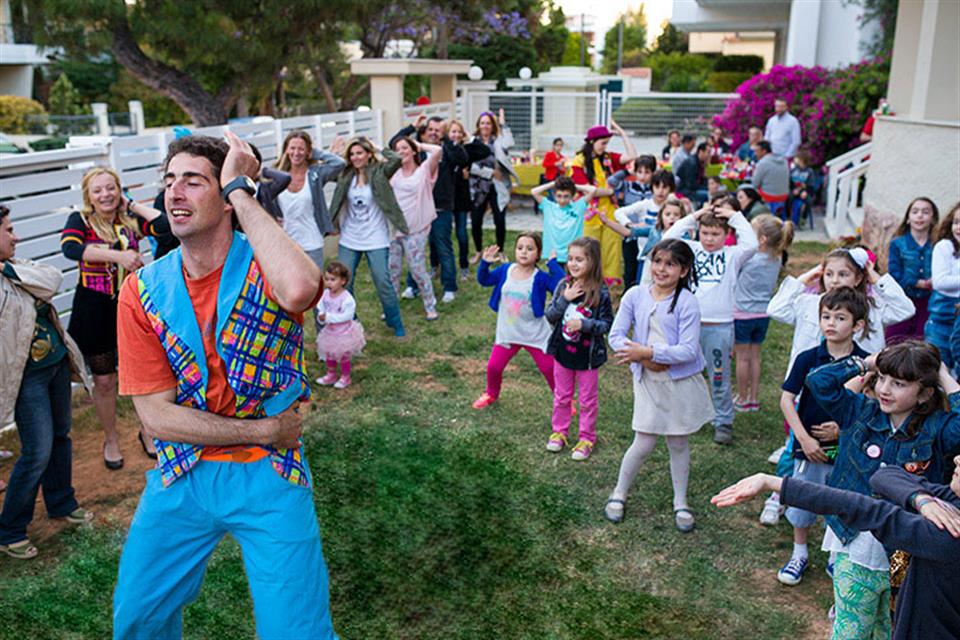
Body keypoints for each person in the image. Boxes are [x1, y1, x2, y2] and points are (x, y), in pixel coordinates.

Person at [112, 133, 336, 638]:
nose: (174, 193)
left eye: (194, 181)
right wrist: (263, 430)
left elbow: (301, 288)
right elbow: (156, 418)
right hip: (183, 474)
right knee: (137, 619)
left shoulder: (265, 263)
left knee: (296, 631)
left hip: (270, 479)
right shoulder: (141, 291)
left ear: (226, 195)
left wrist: (242, 189)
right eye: (169, 181)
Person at [794, 342, 960, 639]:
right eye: (882, 378)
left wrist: (944, 376)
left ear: (924, 394)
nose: (885, 388)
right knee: (851, 631)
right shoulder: (859, 412)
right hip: (855, 543)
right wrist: (868, 363)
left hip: (905, 555)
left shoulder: (937, 429)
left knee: (889, 631)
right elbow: (817, 381)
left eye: (899, 383)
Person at [712, 458, 960, 640]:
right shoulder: (951, 503)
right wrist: (921, 499)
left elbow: (864, 508)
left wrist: (773, 483)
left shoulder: (949, 534)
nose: (956, 458)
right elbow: (886, 476)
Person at [760, 247, 916, 525]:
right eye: (829, 273)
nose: (835, 279)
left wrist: (873, 274)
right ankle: (781, 493)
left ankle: (837, 511)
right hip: (807, 391)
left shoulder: (874, 307)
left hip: (855, 395)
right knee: (794, 447)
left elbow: (906, 308)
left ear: (858, 277)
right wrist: (809, 276)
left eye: (843, 273)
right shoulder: (813, 303)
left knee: (846, 455)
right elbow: (775, 308)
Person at [0, 205, 94, 560]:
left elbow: (52, 280)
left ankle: (61, 502)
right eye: (8, 230)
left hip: (54, 367)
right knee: (36, 451)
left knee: (60, 437)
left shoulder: (16, 267)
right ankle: (9, 529)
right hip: (26, 380)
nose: (16, 236)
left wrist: (8, 268)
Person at [60, 166, 167, 469]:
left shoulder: (129, 220)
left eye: (111, 188)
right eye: (98, 190)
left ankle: (147, 432)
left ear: (119, 190)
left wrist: (131, 205)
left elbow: (165, 226)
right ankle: (111, 439)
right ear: (88, 196)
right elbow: (71, 249)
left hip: (131, 307)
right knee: (105, 381)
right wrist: (117, 256)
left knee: (143, 378)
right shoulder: (79, 220)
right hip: (94, 310)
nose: (105, 195)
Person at [604, 239, 714, 531]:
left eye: (670, 264)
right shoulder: (635, 295)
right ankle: (619, 493)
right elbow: (616, 335)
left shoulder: (687, 302)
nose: (661, 269)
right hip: (648, 380)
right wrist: (640, 356)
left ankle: (681, 502)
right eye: (657, 261)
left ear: (683, 270)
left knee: (678, 440)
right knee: (644, 441)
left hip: (678, 381)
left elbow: (688, 350)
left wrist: (650, 353)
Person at [774, 288, 870, 587]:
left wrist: (842, 431)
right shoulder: (808, 358)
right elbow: (787, 400)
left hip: (846, 453)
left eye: (840, 317)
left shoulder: (866, 363)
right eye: (826, 316)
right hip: (808, 448)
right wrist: (802, 439)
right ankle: (799, 553)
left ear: (858, 325)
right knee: (802, 500)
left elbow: (871, 410)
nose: (830, 323)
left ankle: (835, 555)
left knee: (841, 503)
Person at [663, 202, 759, 444]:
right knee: (684, 372)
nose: (709, 238)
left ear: (726, 235)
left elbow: (752, 243)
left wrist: (734, 216)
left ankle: (723, 421)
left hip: (720, 327)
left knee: (718, 375)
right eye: (705, 233)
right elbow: (669, 237)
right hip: (689, 325)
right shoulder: (691, 249)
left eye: (715, 234)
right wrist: (694, 216)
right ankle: (686, 416)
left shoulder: (733, 254)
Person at [472, 233, 565, 410]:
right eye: (520, 248)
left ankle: (563, 399)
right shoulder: (505, 270)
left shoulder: (540, 277)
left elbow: (561, 285)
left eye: (530, 249)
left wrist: (553, 264)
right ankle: (491, 394)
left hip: (535, 333)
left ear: (538, 254)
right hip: (508, 332)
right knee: (494, 367)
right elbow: (484, 280)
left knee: (548, 368)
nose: (524, 252)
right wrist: (485, 263)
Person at [329, 137, 409, 338]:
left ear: (368, 154)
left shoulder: (380, 172)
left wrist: (377, 147)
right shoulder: (345, 175)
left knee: (383, 280)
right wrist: (335, 153)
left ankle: (395, 320)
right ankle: (350, 321)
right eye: (352, 154)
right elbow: (328, 169)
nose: (356, 157)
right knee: (345, 282)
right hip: (350, 237)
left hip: (376, 236)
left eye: (360, 153)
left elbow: (397, 159)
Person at [544, 237, 613, 462]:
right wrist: (565, 299)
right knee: (562, 396)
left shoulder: (601, 292)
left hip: (588, 358)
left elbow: (606, 325)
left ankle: (586, 438)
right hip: (563, 354)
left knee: (587, 400)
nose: (573, 264)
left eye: (579, 259)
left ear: (592, 262)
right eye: (570, 259)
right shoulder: (563, 286)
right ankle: (559, 432)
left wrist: (584, 325)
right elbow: (551, 316)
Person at [392, 115, 470, 303]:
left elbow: (463, 158)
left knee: (443, 246)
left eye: (438, 130)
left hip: (440, 206)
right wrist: (411, 127)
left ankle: (449, 287)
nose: (433, 133)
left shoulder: (446, 151)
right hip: (417, 210)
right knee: (414, 250)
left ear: (442, 133)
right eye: (430, 130)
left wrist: (451, 141)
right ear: (424, 132)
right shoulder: (415, 152)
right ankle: (413, 286)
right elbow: (393, 143)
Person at [733, 214, 793, 412]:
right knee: (755, 357)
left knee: (742, 358)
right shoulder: (775, 259)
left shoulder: (748, 259)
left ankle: (742, 398)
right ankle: (754, 398)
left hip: (742, 314)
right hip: (763, 314)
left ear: (762, 239)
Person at [570, 120, 637, 285]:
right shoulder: (578, 162)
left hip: (609, 211)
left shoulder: (608, 158)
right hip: (589, 213)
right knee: (589, 249)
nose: (604, 146)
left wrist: (622, 133)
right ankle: (587, 282)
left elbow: (632, 156)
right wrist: (610, 191)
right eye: (603, 143)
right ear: (592, 142)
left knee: (612, 249)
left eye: (607, 143)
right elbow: (586, 189)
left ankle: (609, 286)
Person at [275, 130, 347, 270]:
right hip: (285, 242)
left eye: (301, 148)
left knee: (315, 287)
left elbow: (340, 163)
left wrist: (316, 153)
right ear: (286, 150)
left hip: (311, 242)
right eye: (293, 148)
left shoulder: (316, 174)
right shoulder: (276, 174)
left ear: (308, 151)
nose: (296, 153)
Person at [389, 136, 442, 321]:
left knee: (417, 269)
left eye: (405, 148)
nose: (401, 152)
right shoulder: (393, 173)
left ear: (413, 151)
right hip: (394, 230)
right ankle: (391, 308)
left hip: (416, 230)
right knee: (392, 270)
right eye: (397, 149)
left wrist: (418, 145)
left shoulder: (424, 171)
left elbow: (436, 150)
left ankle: (430, 305)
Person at [608, 170, 677, 285]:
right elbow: (619, 212)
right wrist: (630, 224)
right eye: (657, 186)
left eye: (665, 187)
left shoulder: (674, 207)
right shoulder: (646, 204)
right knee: (643, 286)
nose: (660, 191)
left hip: (670, 257)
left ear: (670, 189)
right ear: (652, 187)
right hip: (646, 257)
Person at [886, 197, 938, 343]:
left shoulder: (938, 244)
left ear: (933, 218)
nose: (920, 215)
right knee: (894, 340)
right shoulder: (898, 244)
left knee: (923, 340)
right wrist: (918, 282)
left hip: (929, 301)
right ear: (908, 218)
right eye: (915, 212)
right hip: (903, 299)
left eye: (925, 212)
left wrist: (936, 280)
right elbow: (894, 274)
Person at [468, 109, 517, 262]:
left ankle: (500, 251)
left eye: (488, 123)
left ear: (492, 125)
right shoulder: (471, 142)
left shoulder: (499, 140)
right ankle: (478, 250)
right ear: (478, 125)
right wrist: (490, 172)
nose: (485, 126)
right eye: (482, 123)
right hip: (478, 187)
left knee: (500, 219)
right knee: (476, 220)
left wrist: (503, 123)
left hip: (497, 186)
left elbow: (510, 142)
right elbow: (470, 166)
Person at [447, 119, 492, 282]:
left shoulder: (466, 149)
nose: (457, 134)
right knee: (439, 236)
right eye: (453, 131)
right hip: (444, 198)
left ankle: (464, 267)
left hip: (461, 196)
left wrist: (470, 138)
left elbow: (485, 150)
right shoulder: (442, 148)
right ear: (447, 133)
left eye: (460, 131)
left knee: (461, 234)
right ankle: (435, 265)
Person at [315, 262, 365, 390]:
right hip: (330, 332)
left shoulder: (347, 299)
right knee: (329, 353)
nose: (329, 283)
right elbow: (320, 305)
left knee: (344, 356)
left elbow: (347, 316)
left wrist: (328, 317)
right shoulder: (325, 294)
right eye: (327, 279)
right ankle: (331, 374)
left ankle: (345, 377)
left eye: (333, 279)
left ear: (343, 281)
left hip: (344, 333)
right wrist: (321, 314)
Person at [926, 203, 960, 373]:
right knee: (937, 368)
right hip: (942, 320)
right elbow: (940, 282)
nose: (958, 227)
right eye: (956, 222)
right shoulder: (944, 247)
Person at [531, 176, 596, 264]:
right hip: (553, 254)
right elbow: (534, 192)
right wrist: (553, 184)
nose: (562, 200)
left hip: (572, 255)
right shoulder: (548, 206)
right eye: (559, 196)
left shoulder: (578, 206)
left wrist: (572, 186)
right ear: (554, 195)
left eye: (566, 196)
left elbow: (593, 190)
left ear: (572, 196)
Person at [750, 140, 790, 219]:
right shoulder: (784, 161)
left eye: (757, 151)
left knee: (747, 193)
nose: (755, 154)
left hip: (769, 196)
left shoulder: (762, 163)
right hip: (784, 195)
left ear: (764, 151)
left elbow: (755, 184)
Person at [675, 142, 710, 207]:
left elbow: (702, 179)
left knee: (712, 191)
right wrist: (707, 188)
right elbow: (691, 184)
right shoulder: (692, 163)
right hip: (686, 191)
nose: (709, 155)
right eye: (708, 152)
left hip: (692, 189)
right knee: (708, 195)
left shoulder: (699, 162)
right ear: (701, 151)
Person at [788, 150, 816, 227]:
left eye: (797, 157)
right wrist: (793, 189)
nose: (795, 159)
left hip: (804, 192)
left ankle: (803, 218)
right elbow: (789, 182)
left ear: (802, 160)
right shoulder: (793, 170)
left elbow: (811, 186)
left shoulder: (809, 171)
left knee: (808, 201)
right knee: (788, 198)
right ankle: (789, 217)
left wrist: (805, 191)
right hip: (794, 191)